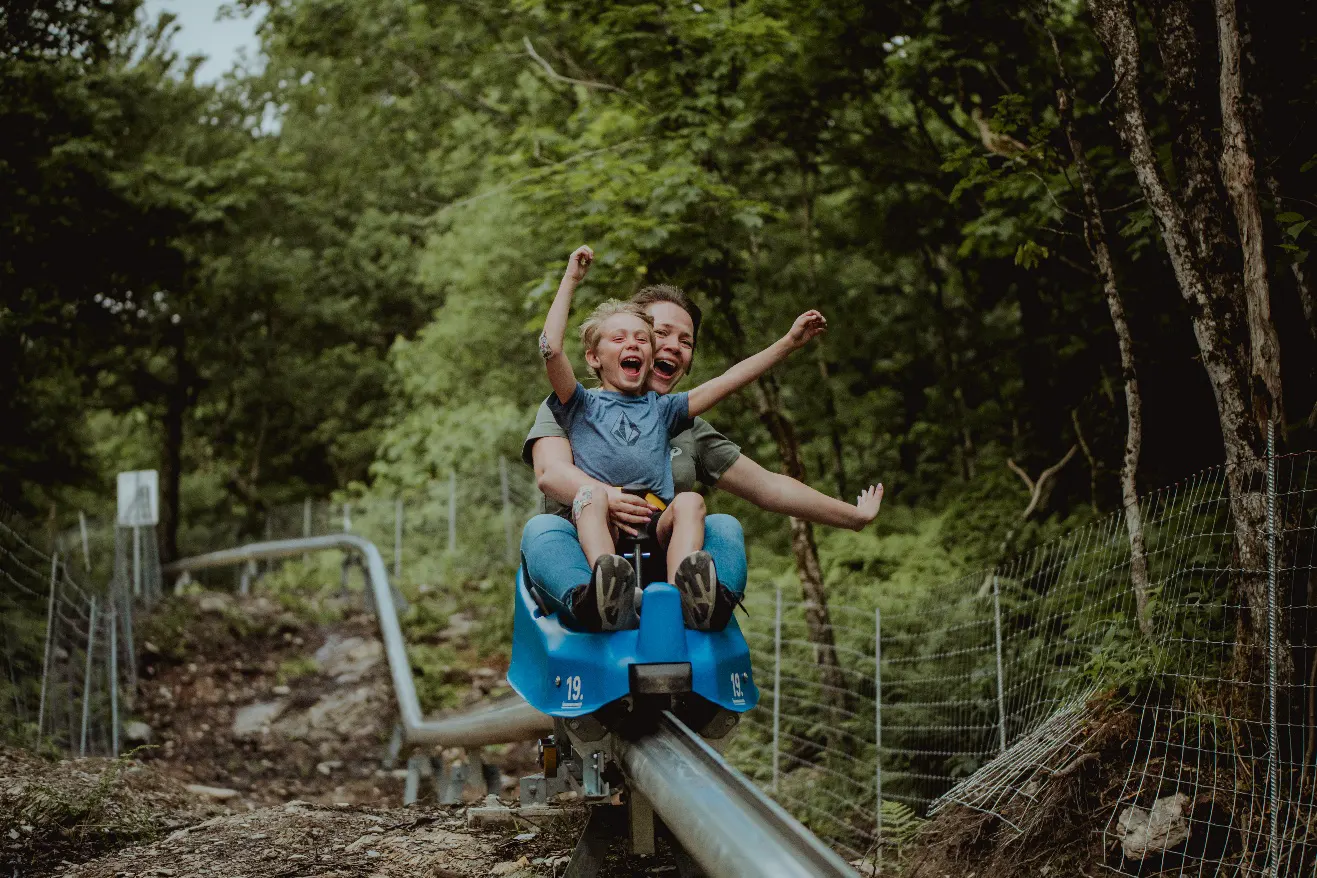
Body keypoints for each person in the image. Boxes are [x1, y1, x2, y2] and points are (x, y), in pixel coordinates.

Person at [523, 269, 884, 633]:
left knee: (721, 523)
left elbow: (769, 485)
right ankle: (597, 598)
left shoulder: (679, 419)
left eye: (685, 341)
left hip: (659, 543)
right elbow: (550, 473)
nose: (670, 346)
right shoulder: (576, 407)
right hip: (583, 547)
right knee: (543, 527)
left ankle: (697, 603)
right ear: (596, 355)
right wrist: (607, 495)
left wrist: (853, 516)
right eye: (661, 332)